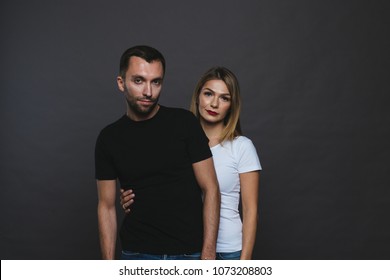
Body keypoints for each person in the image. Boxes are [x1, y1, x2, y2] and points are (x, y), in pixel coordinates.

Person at [122, 66, 262, 260]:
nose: (214, 103)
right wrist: (132, 198)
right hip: (188, 248)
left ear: (232, 105)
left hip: (228, 250)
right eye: (208, 94)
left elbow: (250, 210)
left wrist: (244, 263)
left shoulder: (242, 147)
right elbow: (159, 188)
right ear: (197, 97)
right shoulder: (176, 141)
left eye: (224, 98)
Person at [95, 45, 220, 260]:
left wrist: (208, 254)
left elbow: (211, 189)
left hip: (189, 254)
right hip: (137, 253)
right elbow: (106, 207)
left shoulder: (184, 123)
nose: (148, 92)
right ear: (121, 83)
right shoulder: (109, 138)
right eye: (138, 81)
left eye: (156, 82)